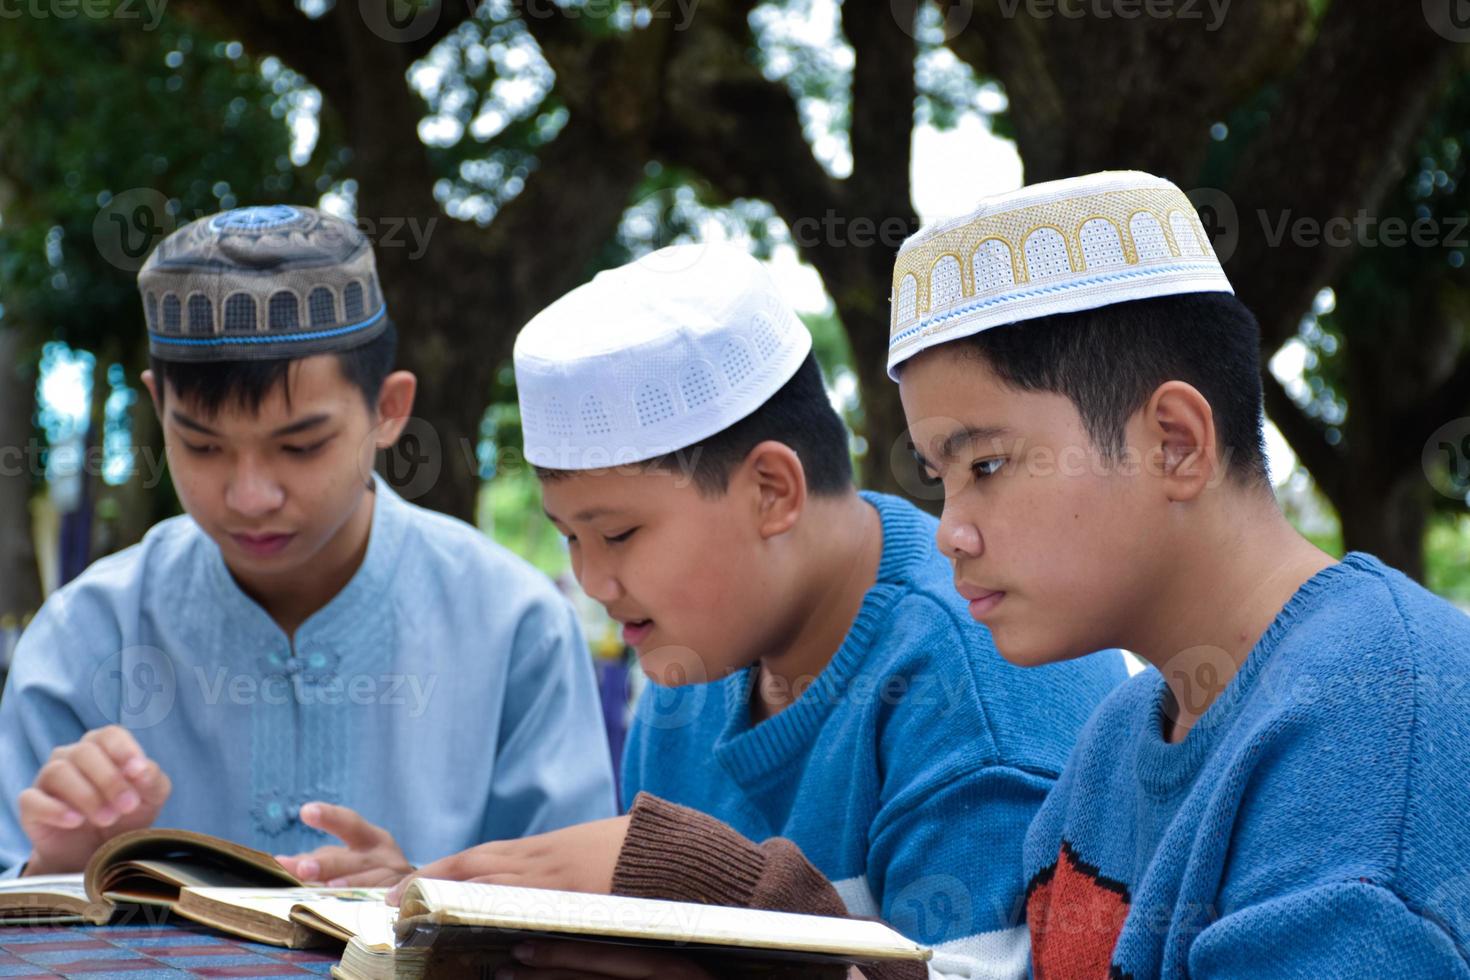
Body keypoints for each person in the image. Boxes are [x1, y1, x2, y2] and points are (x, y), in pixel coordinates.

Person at [353, 243, 1125, 979]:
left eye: (619, 533)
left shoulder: (979, 672)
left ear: (771, 492)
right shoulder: (687, 672)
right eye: (568, 539)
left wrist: (707, 878)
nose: (591, 579)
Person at [0, 205, 616, 880]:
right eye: (202, 445)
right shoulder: (83, 637)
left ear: (388, 409)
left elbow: (575, 927)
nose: (250, 495)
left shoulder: (515, 627)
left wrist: (430, 912)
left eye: (301, 445)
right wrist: (57, 868)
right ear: (157, 407)